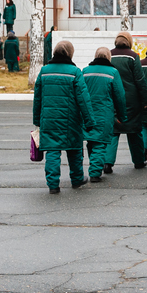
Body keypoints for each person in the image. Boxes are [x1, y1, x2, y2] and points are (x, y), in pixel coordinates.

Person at [33, 40, 95, 194]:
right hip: (71, 120)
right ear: (70, 53)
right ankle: (77, 179)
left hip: (48, 120)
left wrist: (37, 120)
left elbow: (38, 98)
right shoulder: (74, 72)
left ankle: (53, 185)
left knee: (52, 151)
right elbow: (83, 99)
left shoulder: (44, 71)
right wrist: (89, 121)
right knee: (74, 149)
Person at [82, 47, 127, 182]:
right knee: (100, 143)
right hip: (104, 113)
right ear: (109, 57)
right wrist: (122, 116)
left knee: (91, 141)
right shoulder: (113, 72)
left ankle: (94, 166)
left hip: (87, 113)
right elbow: (119, 96)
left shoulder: (85, 71)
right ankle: (95, 173)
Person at [107, 32, 147, 171]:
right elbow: (140, 80)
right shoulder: (133, 56)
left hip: (113, 97)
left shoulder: (109, 55)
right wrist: (145, 100)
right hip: (131, 99)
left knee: (114, 131)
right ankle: (139, 161)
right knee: (134, 131)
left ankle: (107, 162)